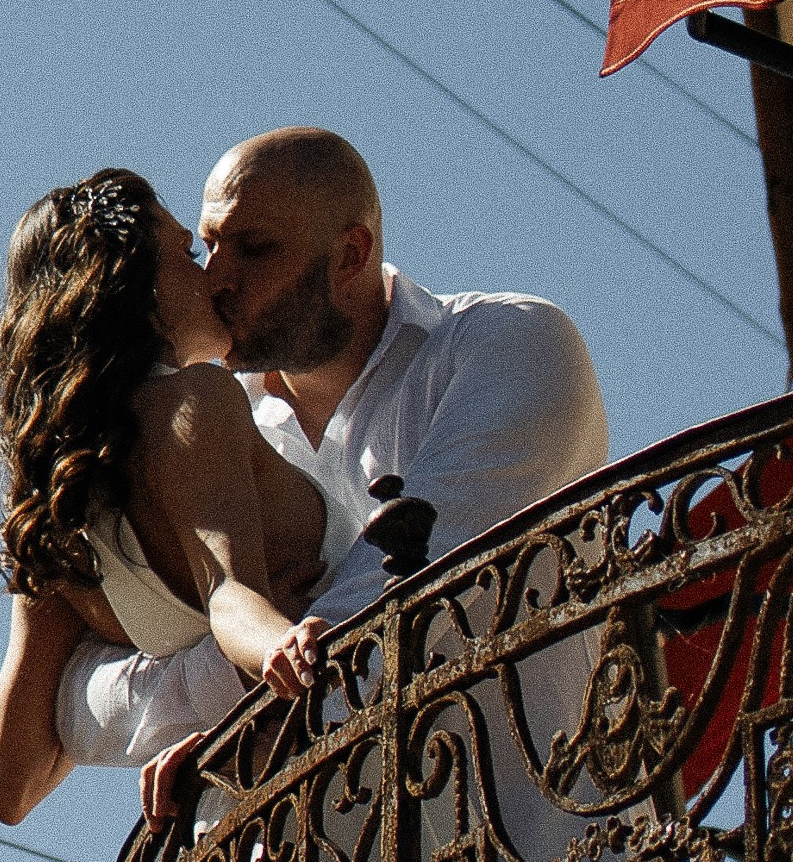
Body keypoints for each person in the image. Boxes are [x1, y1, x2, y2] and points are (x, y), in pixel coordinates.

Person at [54, 126, 609, 792]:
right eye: (208, 246)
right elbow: (70, 704)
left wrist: (236, 716)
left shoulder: (506, 344)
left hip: (525, 857)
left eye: (254, 249)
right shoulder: (213, 430)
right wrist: (223, 688)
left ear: (351, 254)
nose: (217, 278)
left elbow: (418, 600)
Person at [0, 167, 353, 824]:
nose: (212, 276)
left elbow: (8, 784)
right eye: (186, 253)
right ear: (132, 282)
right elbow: (231, 595)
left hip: (269, 812)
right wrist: (281, 648)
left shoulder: (57, 518)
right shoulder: (196, 400)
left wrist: (187, 686)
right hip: (350, 726)